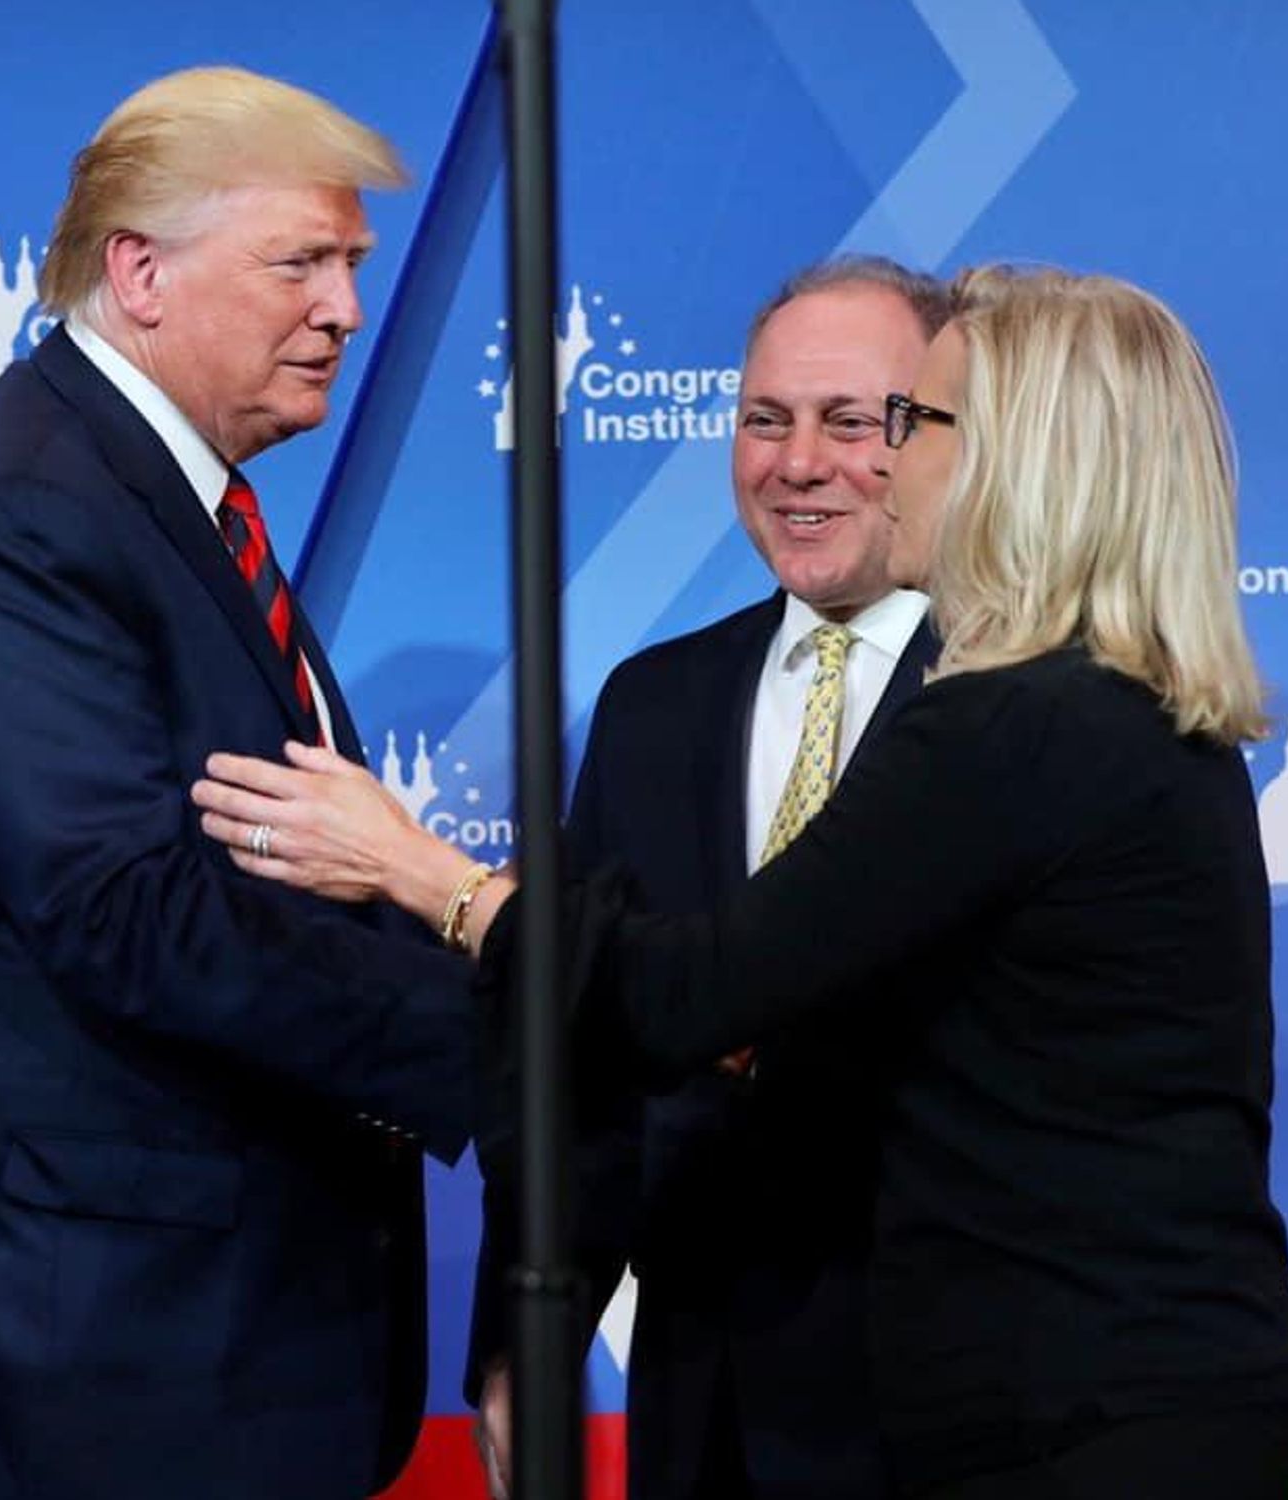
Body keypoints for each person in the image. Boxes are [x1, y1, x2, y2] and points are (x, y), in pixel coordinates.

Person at [193, 264, 1288, 1498]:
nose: (866, 461)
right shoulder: (1122, 710)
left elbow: (699, 991)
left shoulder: (1010, 723)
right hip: (1045, 1395)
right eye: (768, 418)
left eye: (902, 421)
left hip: (1066, 1413)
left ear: (1018, 459)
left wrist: (426, 876)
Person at [0, 67, 476, 1500]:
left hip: (150, 1354)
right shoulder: (26, 518)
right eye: (300, 262)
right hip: (62, 1372)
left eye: (352, 265)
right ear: (139, 270)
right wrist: (519, 1038)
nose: (343, 308)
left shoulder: (141, 499)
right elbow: (128, 913)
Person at [466, 256, 949, 1500]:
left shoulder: (1018, 697)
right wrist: (530, 1342)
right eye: (762, 419)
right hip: (707, 1399)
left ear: (946, 433)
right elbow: (578, 1054)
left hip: (950, 1394)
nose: (796, 463)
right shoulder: (655, 703)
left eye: (850, 422)